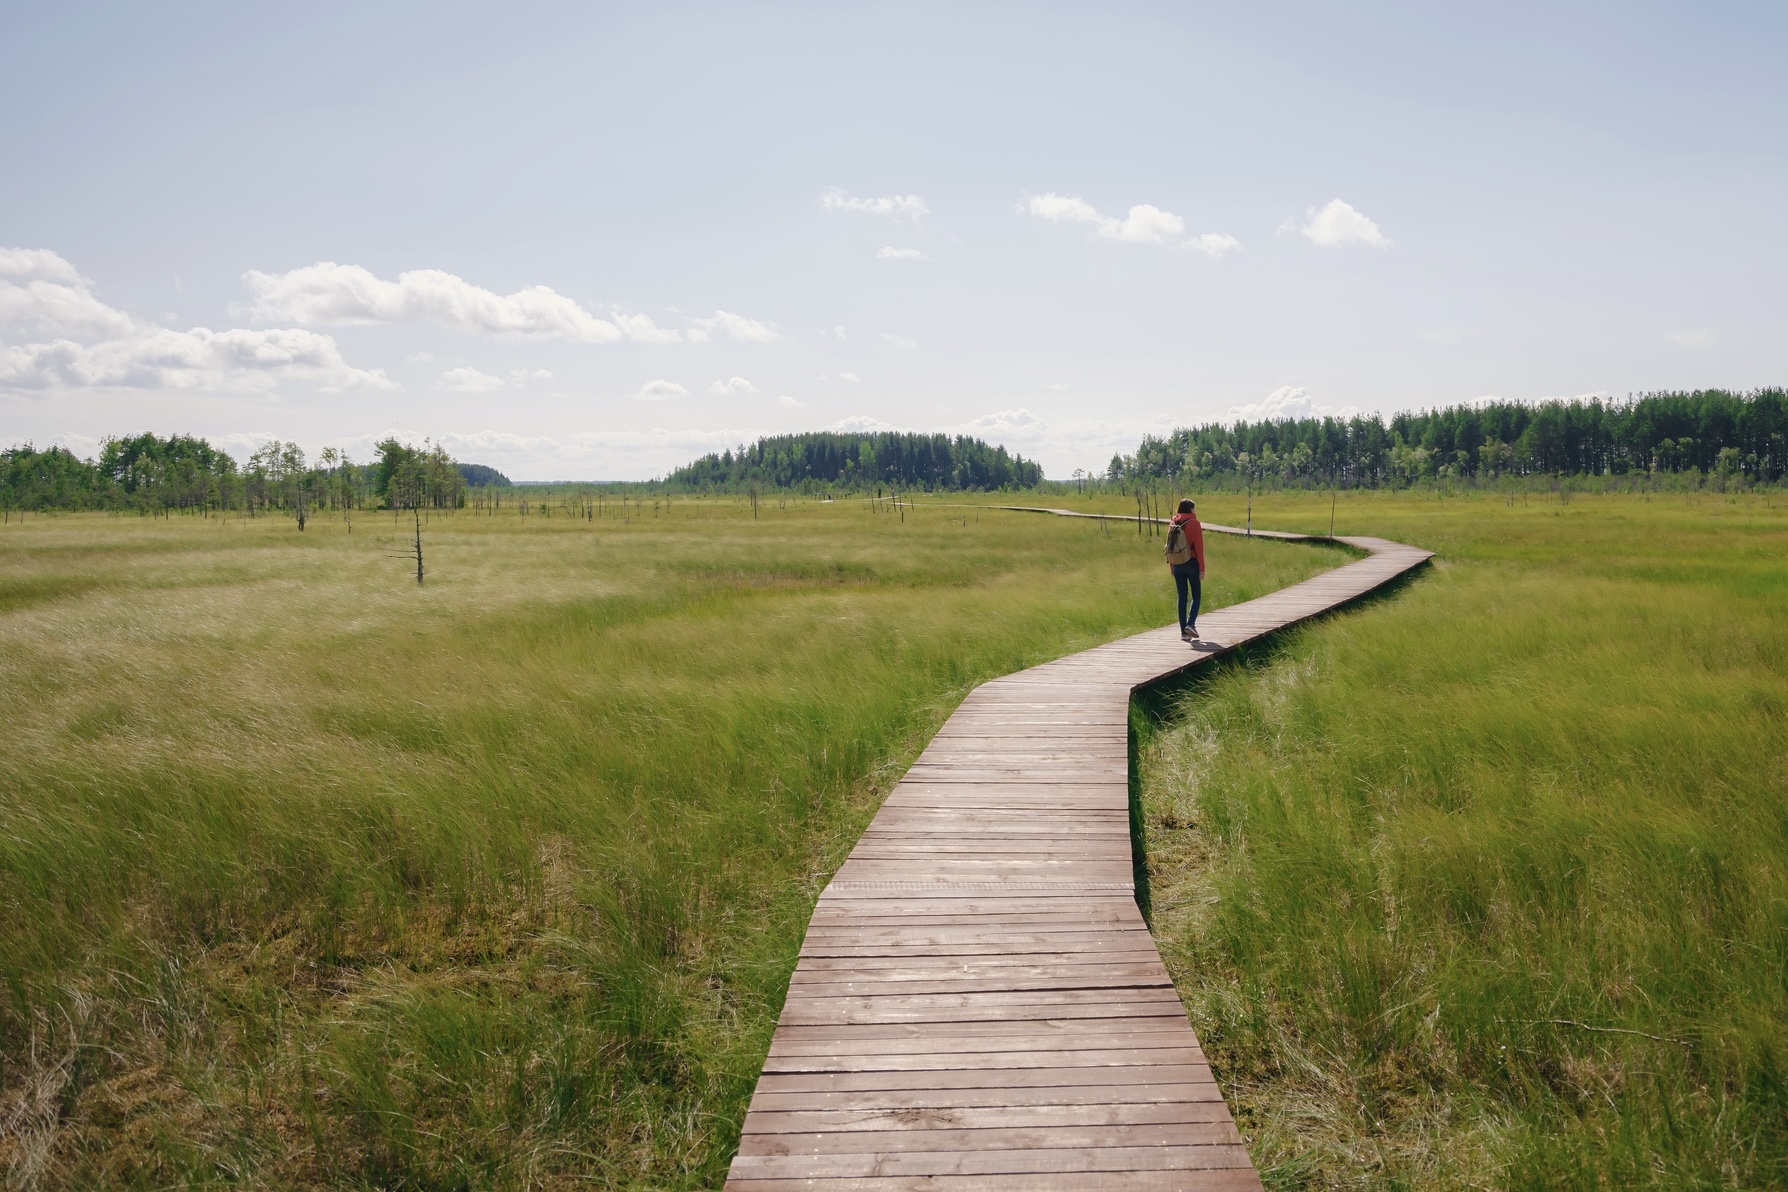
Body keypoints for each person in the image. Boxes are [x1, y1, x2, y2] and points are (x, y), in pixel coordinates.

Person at [1165, 498, 1205, 642]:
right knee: (1196, 596)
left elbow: (1170, 546)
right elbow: (1199, 548)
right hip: (1192, 563)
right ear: (1190, 509)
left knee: (1182, 597)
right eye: (1194, 508)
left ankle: (1184, 633)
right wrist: (1202, 567)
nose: (1195, 511)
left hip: (1177, 563)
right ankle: (1190, 623)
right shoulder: (1195, 523)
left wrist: (1171, 566)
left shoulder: (1173, 523)